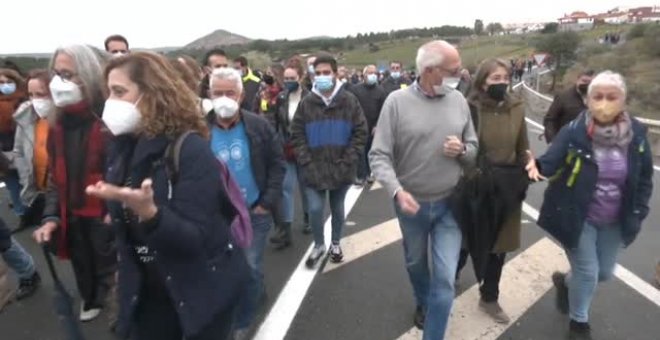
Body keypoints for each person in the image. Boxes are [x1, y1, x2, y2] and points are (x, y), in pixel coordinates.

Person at [87, 51, 249, 340]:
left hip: (195, 292)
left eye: (119, 92)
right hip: (144, 292)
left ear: (152, 94)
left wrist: (150, 214)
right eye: (108, 92)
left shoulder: (190, 150)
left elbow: (193, 239)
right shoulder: (120, 148)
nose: (110, 102)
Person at [528, 71, 653, 338]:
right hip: (577, 215)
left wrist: (640, 210)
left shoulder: (638, 134)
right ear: (587, 100)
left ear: (623, 100)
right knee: (588, 271)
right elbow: (549, 163)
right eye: (598, 96)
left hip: (615, 219)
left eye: (612, 97)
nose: (604, 102)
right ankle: (578, 324)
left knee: (604, 273)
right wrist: (531, 167)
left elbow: (644, 178)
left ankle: (565, 284)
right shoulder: (573, 132)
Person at [369, 40, 478, 340]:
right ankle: (422, 300)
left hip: (450, 205)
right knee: (416, 263)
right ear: (430, 71)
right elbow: (378, 155)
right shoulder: (396, 102)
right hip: (411, 205)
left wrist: (463, 150)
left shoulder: (458, 100)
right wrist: (395, 190)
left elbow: (474, 147)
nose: (461, 73)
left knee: (444, 279)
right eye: (453, 70)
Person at [32, 44, 116, 322]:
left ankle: (118, 312)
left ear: (89, 76)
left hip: (106, 216)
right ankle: (89, 298)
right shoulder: (57, 123)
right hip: (73, 214)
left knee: (113, 271)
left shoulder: (110, 121)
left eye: (68, 74)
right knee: (82, 265)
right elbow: (57, 178)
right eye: (56, 73)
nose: (59, 82)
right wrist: (51, 215)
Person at [206, 67, 284, 336]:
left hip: (254, 211)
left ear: (240, 95)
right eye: (218, 93)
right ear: (209, 95)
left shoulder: (259, 125)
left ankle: (242, 322)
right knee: (222, 269)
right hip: (216, 216)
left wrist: (267, 201)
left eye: (230, 92)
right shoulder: (197, 129)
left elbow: (277, 165)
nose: (224, 98)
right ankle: (244, 298)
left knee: (250, 267)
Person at [454, 58, 533, 324]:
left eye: (504, 78)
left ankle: (489, 297)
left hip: (508, 186)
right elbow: (463, 148)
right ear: (482, 81)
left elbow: (523, 146)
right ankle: (449, 278)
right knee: (468, 240)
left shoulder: (517, 107)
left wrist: (529, 165)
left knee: (499, 246)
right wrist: (472, 174)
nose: (500, 83)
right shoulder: (468, 107)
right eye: (494, 78)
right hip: (477, 184)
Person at [290, 53, 367, 268]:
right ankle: (318, 244)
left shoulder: (349, 101)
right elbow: (296, 133)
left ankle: (335, 243)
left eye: (327, 72)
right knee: (315, 208)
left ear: (335, 74)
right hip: (313, 168)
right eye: (318, 73)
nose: (322, 77)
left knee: (337, 207)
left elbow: (360, 132)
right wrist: (305, 160)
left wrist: (348, 160)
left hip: (341, 168)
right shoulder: (307, 103)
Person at [270, 61, 312, 249]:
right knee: (285, 188)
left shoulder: (310, 98)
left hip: (305, 148)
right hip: (286, 148)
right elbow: (276, 123)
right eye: (286, 79)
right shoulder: (280, 97)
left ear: (300, 78)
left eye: (292, 78)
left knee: (305, 187)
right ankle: (285, 229)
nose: (288, 82)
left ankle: (308, 218)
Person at [10, 70, 54, 228]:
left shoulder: (65, 121)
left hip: (60, 196)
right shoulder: (26, 118)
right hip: (37, 191)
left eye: (41, 94)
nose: (35, 100)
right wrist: (25, 178)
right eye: (31, 94)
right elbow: (19, 151)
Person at [347, 64, 386, 185]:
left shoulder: (380, 90)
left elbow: (383, 110)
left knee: (370, 151)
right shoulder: (355, 89)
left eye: (374, 73)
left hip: (373, 126)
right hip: (358, 125)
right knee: (359, 150)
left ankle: (369, 174)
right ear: (364, 75)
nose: (372, 75)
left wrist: (377, 125)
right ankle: (359, 175)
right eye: (370, 73)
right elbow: (350, 107)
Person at [0, 68, 28, 227]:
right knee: (13, 186)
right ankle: (21, 214)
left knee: (29, 182)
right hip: (3, 151)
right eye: (1, 83)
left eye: (9, 82)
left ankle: (35, 212)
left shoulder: (23, 101)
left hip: (23, 149)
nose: (5, 86)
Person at [543, 70, 595, 143]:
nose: (587, 84)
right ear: (577, 80)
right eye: (584, 81)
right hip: (563, 144)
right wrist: (553, 141)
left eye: (590, 82)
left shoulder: (597, 99)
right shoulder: (563, 97)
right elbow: (550, 120)